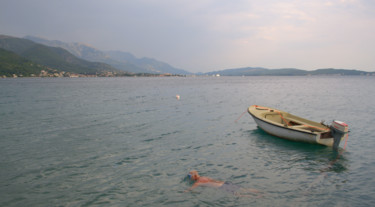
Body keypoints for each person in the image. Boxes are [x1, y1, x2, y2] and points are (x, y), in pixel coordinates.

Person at [185, 170, 262, 198]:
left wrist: (185, 191)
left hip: (221, 187)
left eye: (190, 176)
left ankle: (256, 197)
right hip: (224, 183)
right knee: (244, 189)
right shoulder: (204, 177)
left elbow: (190, 189)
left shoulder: (198, 182)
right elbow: (214, 180)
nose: (190, 178)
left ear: (194, 176)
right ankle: (258, 192)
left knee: (239, 195)